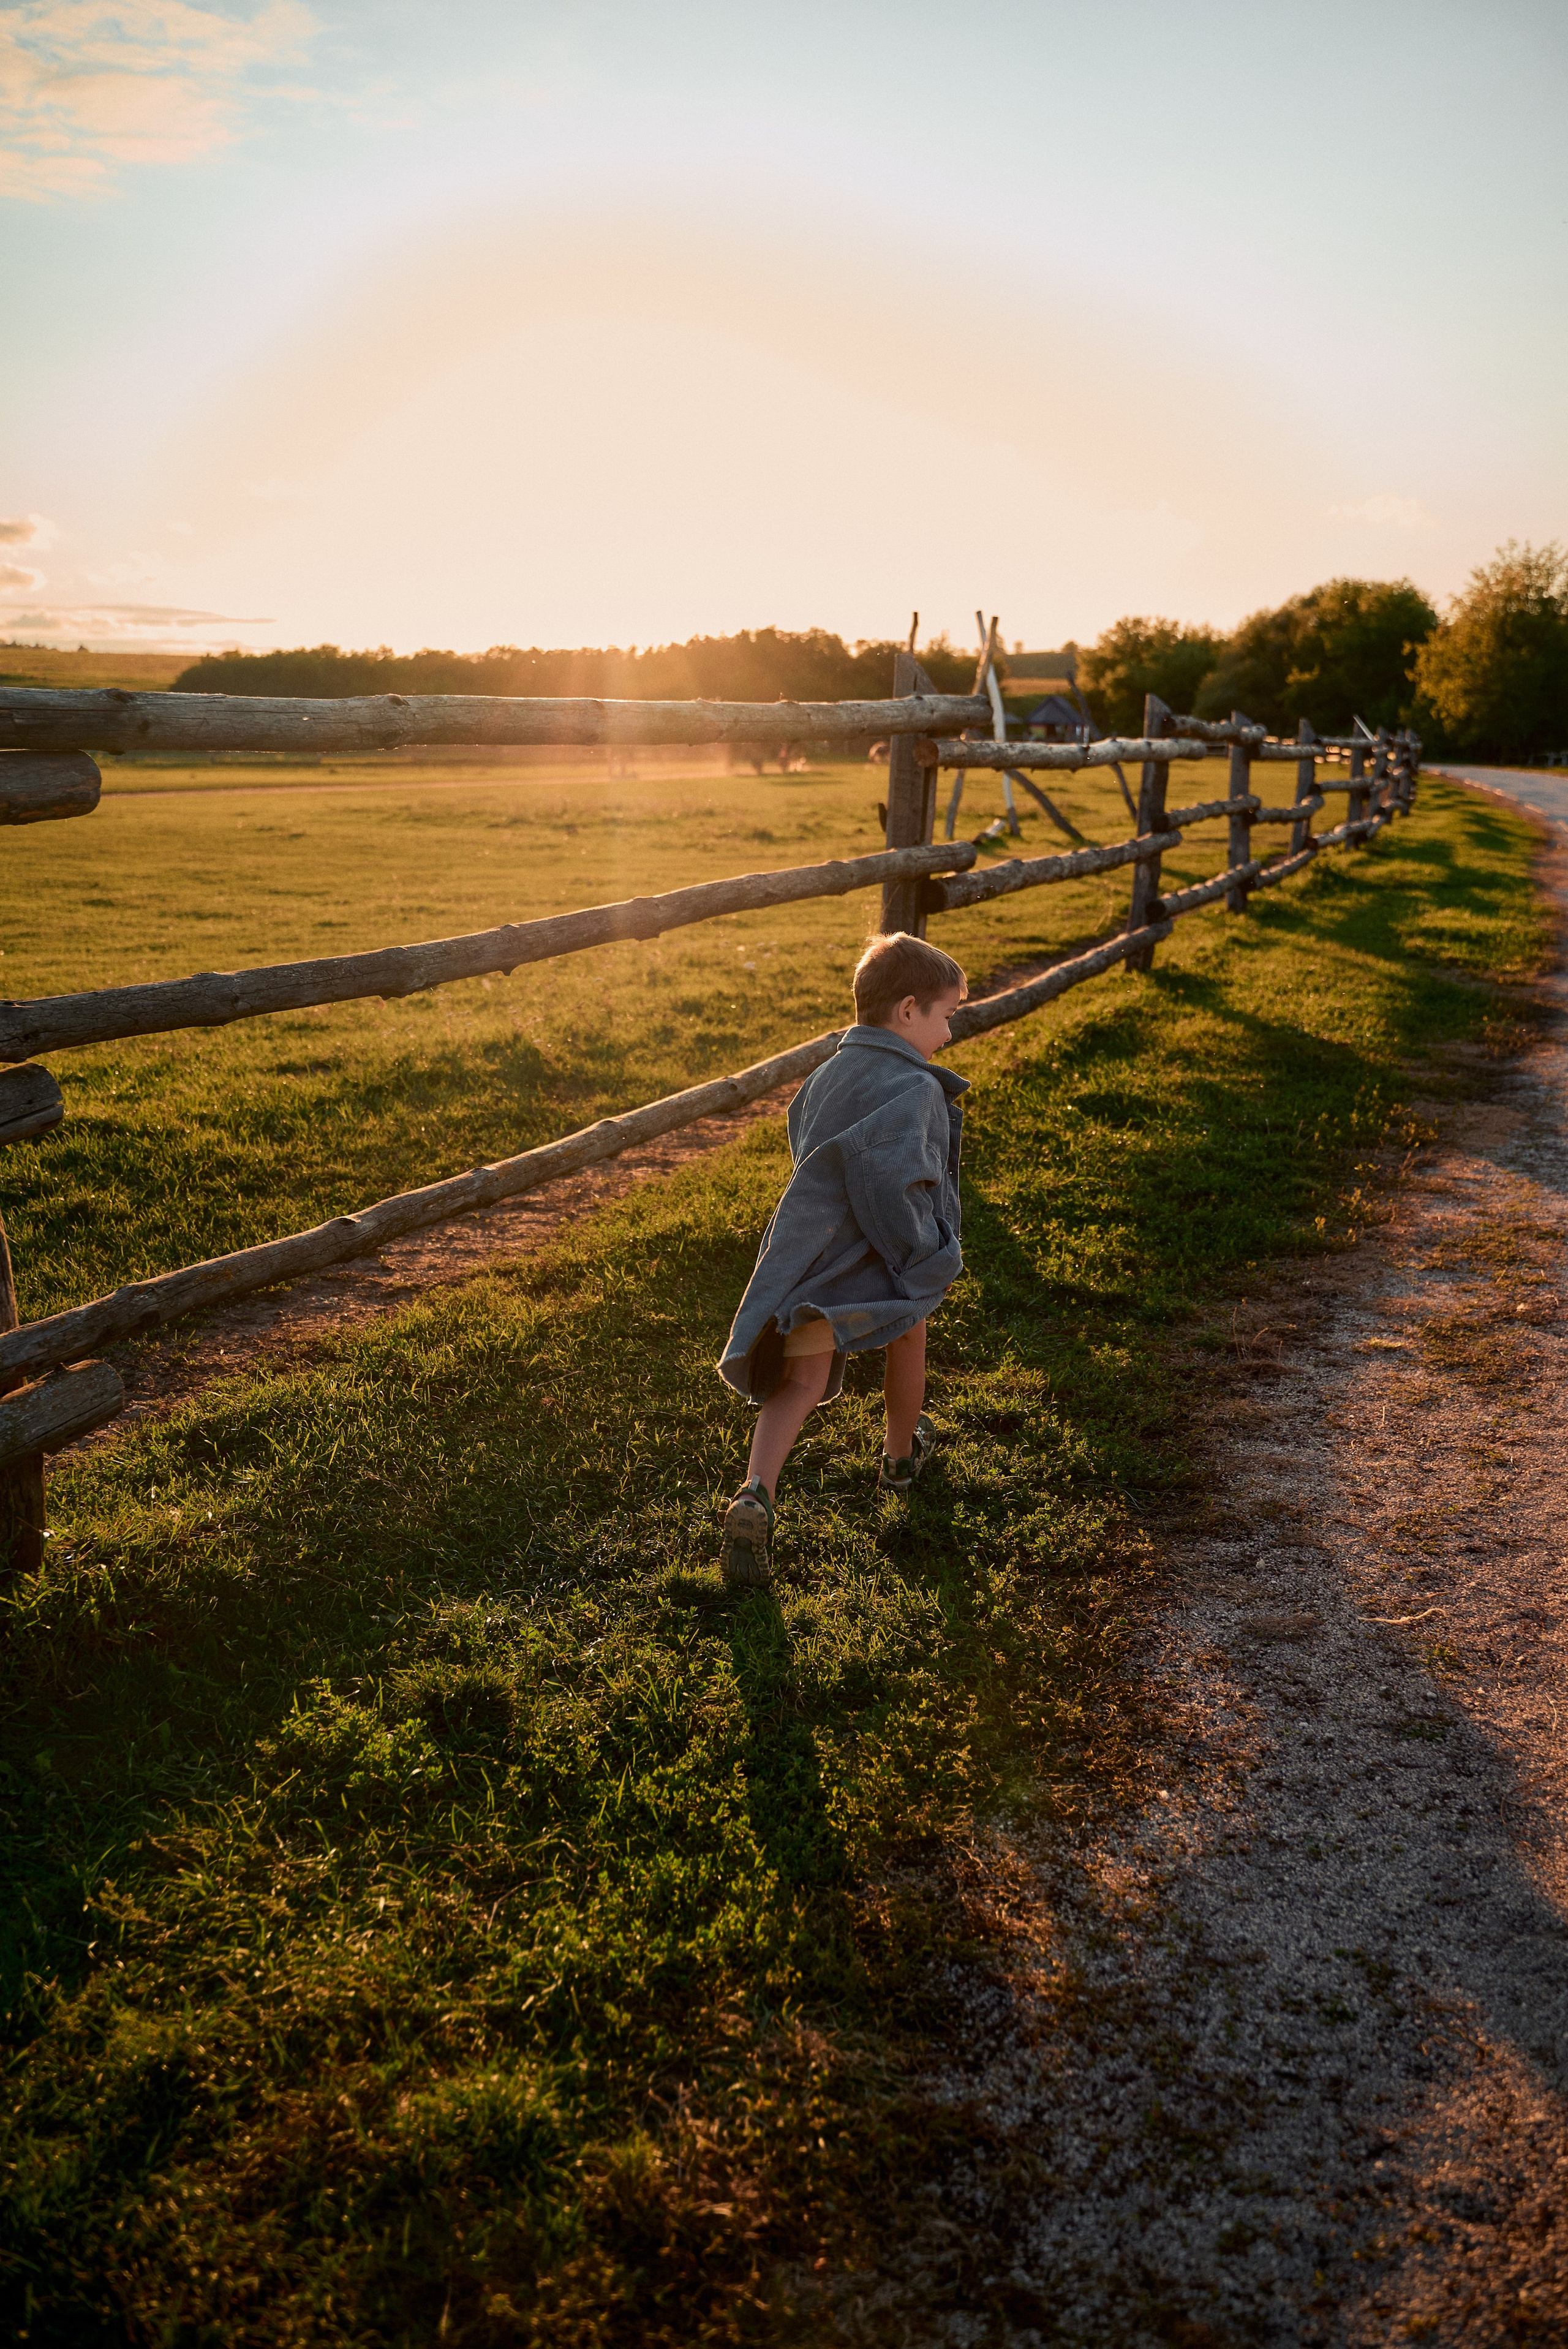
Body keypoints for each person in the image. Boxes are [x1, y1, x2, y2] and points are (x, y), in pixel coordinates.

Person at [715, 930, 970, 1588]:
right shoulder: (915, 1089)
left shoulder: (824, 1074)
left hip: (809, 1263)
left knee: (798, 1386)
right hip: (879, 1258)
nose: (948, 1034)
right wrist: (922, 1257)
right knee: (909, 1332)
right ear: (907, 1011)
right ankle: (897, 1459)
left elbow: (809, 1150)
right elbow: (895, 1188)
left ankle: (755, 1493)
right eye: (946, 1016)